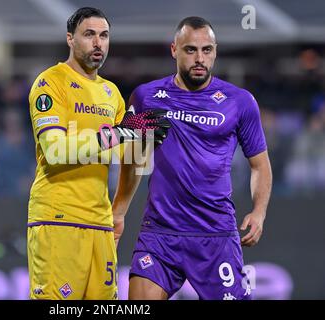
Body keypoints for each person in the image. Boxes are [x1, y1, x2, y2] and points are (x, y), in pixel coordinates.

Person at [112, 16, 273, 300]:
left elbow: (259, 165)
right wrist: (119, 210)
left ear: (215, 51)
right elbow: (134, 158)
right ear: (174, 49)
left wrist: (259, 212)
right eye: (190, 50)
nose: (199, 58)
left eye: (206, 50)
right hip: (160, 233)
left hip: (216, 235)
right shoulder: (146, 98)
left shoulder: (240, 102)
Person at [27, 7, 170, 300]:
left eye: (104, 36)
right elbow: (54, 150)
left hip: (100, 224)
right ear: (70, 39)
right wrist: (120, 132)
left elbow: (132, 161)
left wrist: (146, 142)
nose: (98, 43)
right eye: (89, 35)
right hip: (58, 218)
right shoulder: (50, 82)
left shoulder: (111, 93)